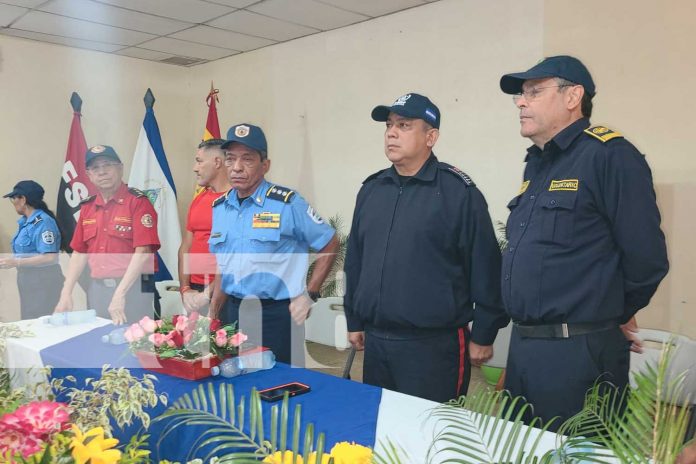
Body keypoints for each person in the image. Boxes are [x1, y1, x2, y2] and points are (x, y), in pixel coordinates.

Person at [498, 55, 669, 425]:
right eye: (521, 95)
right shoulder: (537, 163)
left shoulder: (610, 156)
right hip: (525, 347)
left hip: (578, 352)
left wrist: (611, 313)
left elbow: (647, 258)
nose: (521, 102)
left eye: (534, 92)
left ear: (573, 96)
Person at [343, 93, 508, 403]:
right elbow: (356, 260)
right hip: (377, 342)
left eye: (404, 125)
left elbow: (485, 266)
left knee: (432, 435)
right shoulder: (372, 190)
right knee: (382, 431)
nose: (391, 132)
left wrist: (484, 333)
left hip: (433, 346)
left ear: (431, 136)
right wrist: (355, 319)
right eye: (389, 125)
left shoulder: (457, 192)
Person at [208, 123, 339, 365]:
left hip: (275, 315)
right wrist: (213, 313)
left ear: (265, 164)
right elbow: (223, 266)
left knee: (276, 388)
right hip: (233, 312)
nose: (236, 167)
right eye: (230, 159)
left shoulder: (287, 204)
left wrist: (310, 294)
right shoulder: (220, 208)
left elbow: (330, 241)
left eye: (247, 159)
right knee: (233, 382)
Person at [54, 145, 161, 324]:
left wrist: (120, 294)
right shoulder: (87, 207)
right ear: (88, 175)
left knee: (136, 346)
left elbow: (143, 252)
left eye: (107, 165)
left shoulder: (138, 202)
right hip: (98, 289)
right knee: (100, 343)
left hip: (135, 288)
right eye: (95, 168)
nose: (102, 172)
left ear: (120, 168)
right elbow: (80, 253)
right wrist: (66, 292)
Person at [177, 138, 231, 313]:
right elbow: (186, 246)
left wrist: (208, 294)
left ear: (217, 162)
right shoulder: (199, 199)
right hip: (195, 291)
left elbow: (236, 257)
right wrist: (185, 289)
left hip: (225, 292)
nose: (195, 168)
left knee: (225, 340)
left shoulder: (238, 201)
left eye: (199, 161)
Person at [0, 180, 65, 319]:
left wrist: (15, 262)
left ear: (23, 199)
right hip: (28, 278)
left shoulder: (43, 222)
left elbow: (49, 256)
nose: (13, 203)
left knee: (41, 321)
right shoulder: (25, 222)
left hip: (43, 280)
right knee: (29, 319)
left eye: (13, 198)